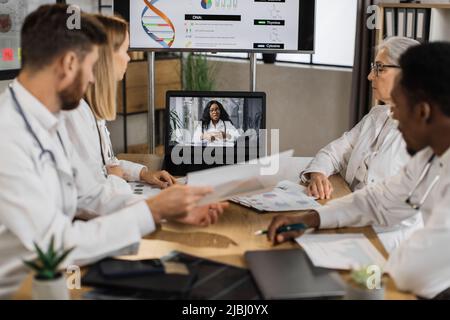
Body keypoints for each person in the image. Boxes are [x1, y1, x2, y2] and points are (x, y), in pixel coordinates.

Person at [0, 5, 225, 298]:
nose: (93, 79)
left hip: (56, 278)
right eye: (91, 66)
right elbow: (55, 247)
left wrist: (167, 211)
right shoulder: (9, 137)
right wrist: (152, 210)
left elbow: (87, 195)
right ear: (69, 63)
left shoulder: (45, 121)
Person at [267, 42, 450, 300]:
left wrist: (355, 268)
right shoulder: (431, 156)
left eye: (396, 109)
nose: (392, 117)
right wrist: (311, 218)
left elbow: (415, 273)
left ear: (422, 112)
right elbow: (379, 199)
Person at [300, 37, 423, 252]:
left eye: (379, 68)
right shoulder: (377, 115)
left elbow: (399, 212)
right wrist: (318, 174)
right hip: (350, 219)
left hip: (386, 239)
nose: (369, 76)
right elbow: (335, 152)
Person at [64, 14, 174, 190]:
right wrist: (115, 180)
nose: (129, 58)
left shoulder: (90, 110)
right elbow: (90, 197)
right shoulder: (75, 115)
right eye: (125, 50)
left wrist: (144, 174)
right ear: (106, 57)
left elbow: (108, 164)